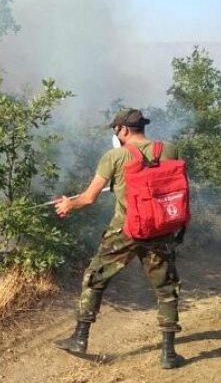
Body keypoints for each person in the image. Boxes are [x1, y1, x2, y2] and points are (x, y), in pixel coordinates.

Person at [52, 108, 185, 369]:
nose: (116, 134)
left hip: (125, 230)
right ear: (142, 127)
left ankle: (80, 338)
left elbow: (89, 198)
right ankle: (168, 354)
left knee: (95, 277)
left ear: (123, 130)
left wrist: (69, 204)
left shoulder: (114, 156)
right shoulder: (170, 149)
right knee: (167, 288)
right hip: (160, 228)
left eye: (116, 130)